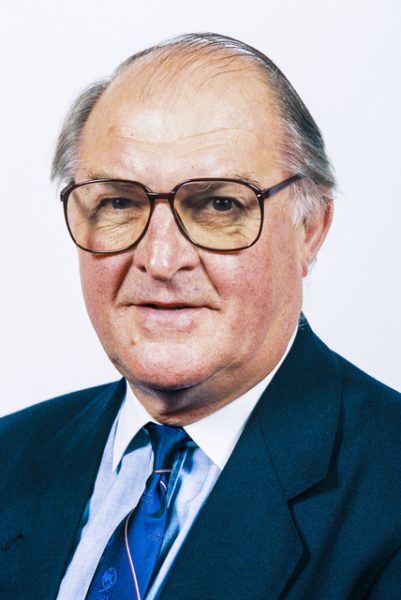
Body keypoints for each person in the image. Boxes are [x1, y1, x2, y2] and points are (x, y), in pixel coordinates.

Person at [0, 32, 400, 600]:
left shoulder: (388, 487)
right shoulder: (10, 455)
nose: (161, 260)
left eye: (219, 204)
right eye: (119, 202)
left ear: (309, 229)